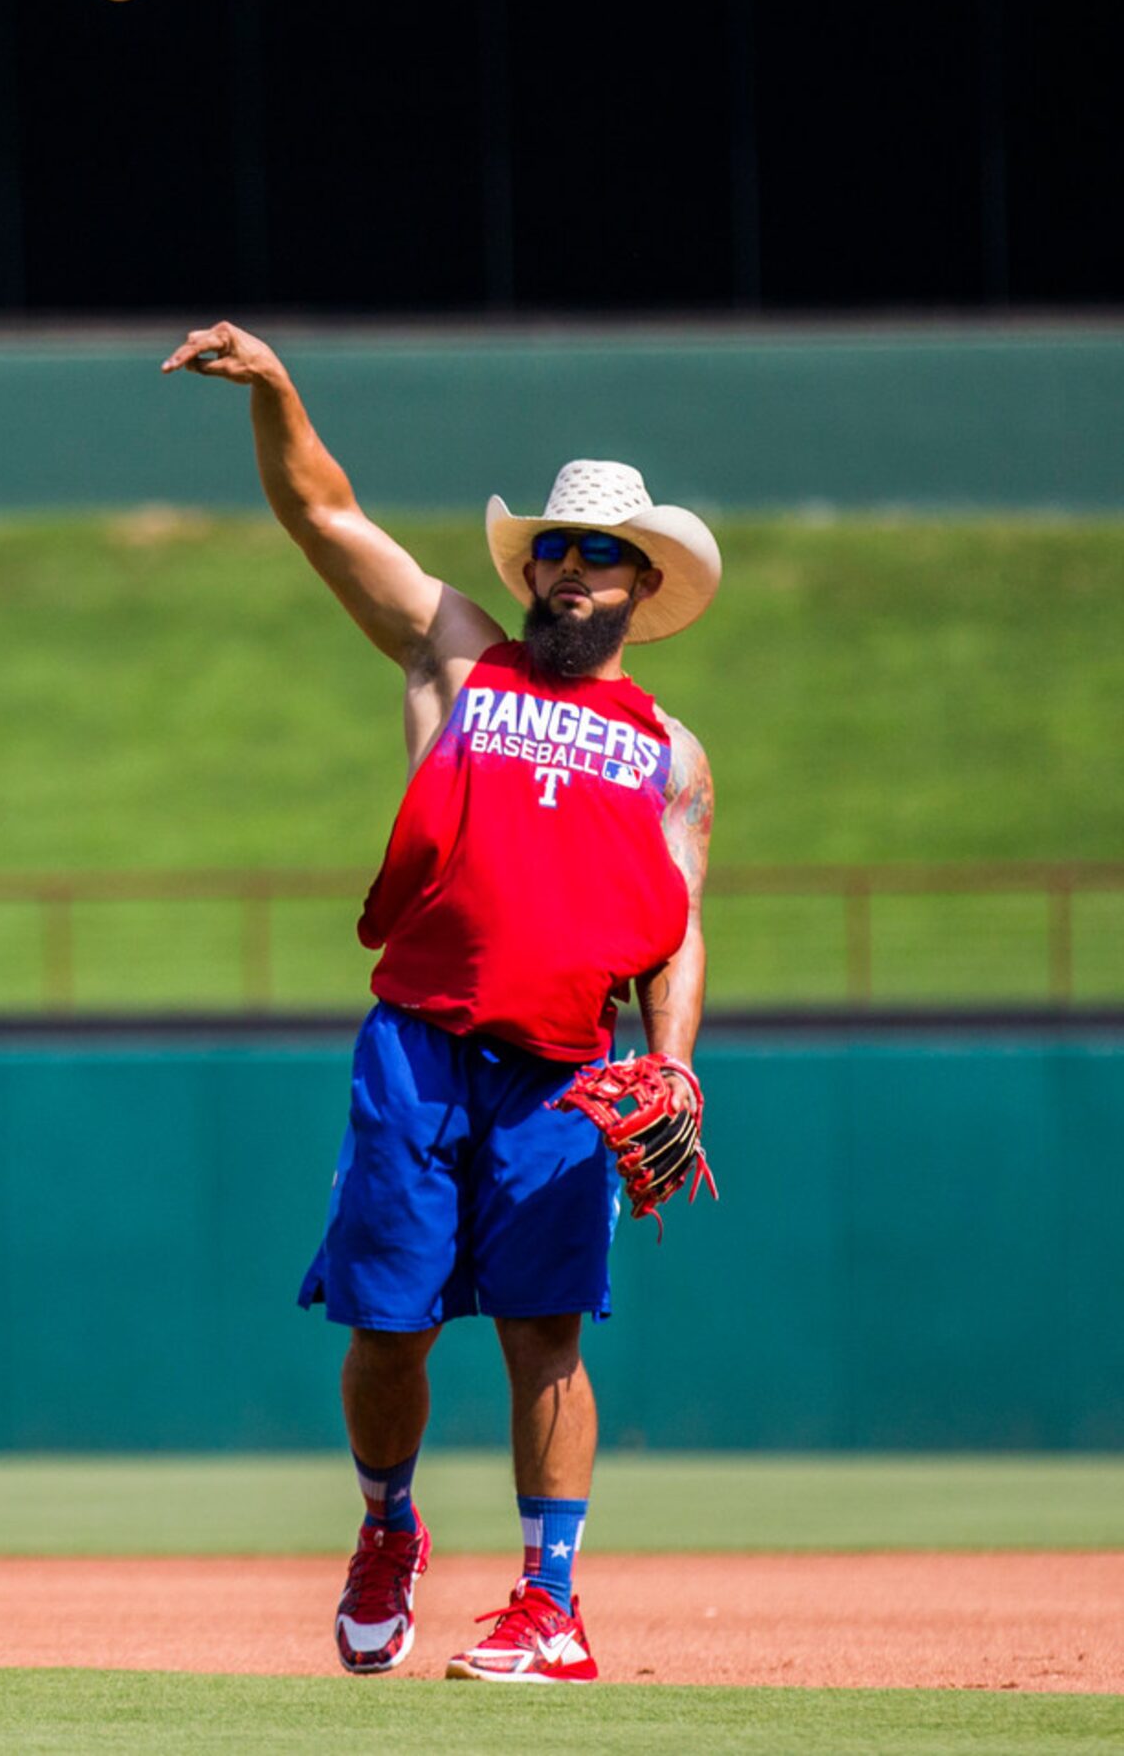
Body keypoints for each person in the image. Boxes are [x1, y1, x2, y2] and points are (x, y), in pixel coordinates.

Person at [162, 321, 720, 1684]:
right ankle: (387, 1525)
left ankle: (550, 1602)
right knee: (387, 1322)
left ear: (641, 585)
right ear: (529, 563)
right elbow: (324, 513)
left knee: (546, 1331)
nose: (575, 566)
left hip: (564, 1069)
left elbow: (679, 925)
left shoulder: (669, 751)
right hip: (419, 1041)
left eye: (604, 552)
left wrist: (675, 1064)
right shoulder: (455, 658)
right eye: (559, 544)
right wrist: (281, 392)